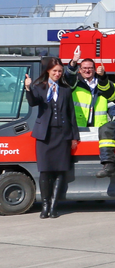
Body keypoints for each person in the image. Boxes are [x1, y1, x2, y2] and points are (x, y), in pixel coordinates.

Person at [24, 59, 79, 219]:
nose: (57, 74)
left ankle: (54, 206)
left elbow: (71, 115)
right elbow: (33, 102)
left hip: (62, 135)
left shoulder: (66, 90)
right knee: (45, 171)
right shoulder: (40, 88)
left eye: (60, 71)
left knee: (60, 172)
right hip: (44, 136)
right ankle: (45, 205)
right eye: (54, 71)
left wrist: (74, 136)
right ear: (48, 71)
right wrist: (28, 87)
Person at [63, 56, 111, 128]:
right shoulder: (75, 83)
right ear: (80, 70)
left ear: (94, 69)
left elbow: (112, 104)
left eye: (90, 68)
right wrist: (73, 62)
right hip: (78, 126)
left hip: (99, 127)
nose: (87, 70)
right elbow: (69, 77)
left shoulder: (101, 85)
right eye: (84, 68)